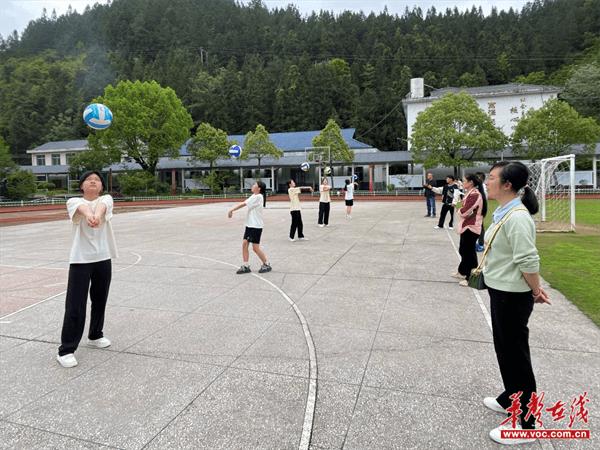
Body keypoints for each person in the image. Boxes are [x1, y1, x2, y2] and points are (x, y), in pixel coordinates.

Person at [482, 161, 551, 445]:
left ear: (507, 185)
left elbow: (527, 259)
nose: (487, 182)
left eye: (492, 178)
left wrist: (536, 290)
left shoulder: (518, 217)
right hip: (501, 291)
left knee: (516, 356)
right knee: (505, 350)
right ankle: (511, 398)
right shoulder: (504, 212)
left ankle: (527, 423)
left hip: (513, 296)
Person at [57, 171, 118, 368]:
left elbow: (102, 207)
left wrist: (96, 216)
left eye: (97, 180)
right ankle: (66, 349)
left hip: (103, 257)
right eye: (88, 180)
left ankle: (95, 334)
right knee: (75, 303)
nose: (93, 181)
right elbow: (83, 209)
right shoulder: (73, 202)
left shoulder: (106, 199)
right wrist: (90, 215)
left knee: (100, 299)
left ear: (101, 187)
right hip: (80, 259)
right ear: (81, 185)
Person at [228, 181, 272, 274]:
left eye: (254, 184)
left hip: (256, 226)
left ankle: (266, 264)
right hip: (250, 225)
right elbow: (245, 202)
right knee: (244, 244)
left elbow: (243, 204)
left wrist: (232, 209)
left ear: (259, 188)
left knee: (255, 248)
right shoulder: (254, 196)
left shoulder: (258, 196)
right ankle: (246, 265)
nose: (252, 186)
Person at [453, 174, 486, 286]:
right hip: (466, 226)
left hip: (472, 227)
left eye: (464, 181)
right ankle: (462, 271)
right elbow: (463, 207)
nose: (462, 183)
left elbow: (464, 211)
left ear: (471, 182)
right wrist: (459, 205)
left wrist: (458, 207)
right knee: (463, 250)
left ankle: (471, 278)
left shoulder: (475, 194)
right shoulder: (470, 193)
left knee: (469, 253)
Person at [476, 171, 488, 252]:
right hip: (476, 209)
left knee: (480, 226)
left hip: (480, 209)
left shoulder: (483, 187)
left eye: (477, 177)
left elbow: (484, 198)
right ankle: (478, 243)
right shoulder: (477, 187)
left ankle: (481, 244)